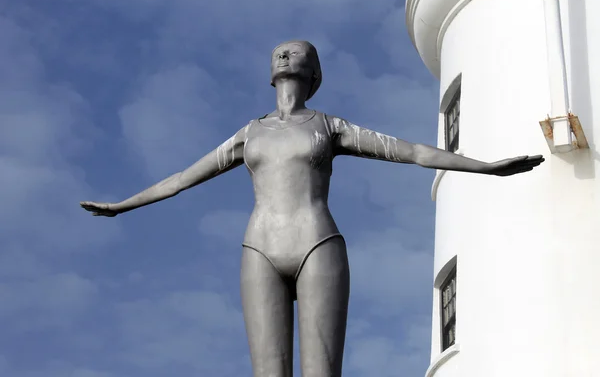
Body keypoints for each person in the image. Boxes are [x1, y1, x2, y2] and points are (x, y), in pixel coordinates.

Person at [81, 40, 544, 377]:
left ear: (314, 72)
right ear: (269, 71)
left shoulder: (330, 126)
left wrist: (483, 167)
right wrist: (123, 206)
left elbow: (411, 151)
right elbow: (181, 179)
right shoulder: (250, 133)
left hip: (318, 244)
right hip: (259, 248)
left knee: (322, 372)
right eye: (279, 52)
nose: (285, 54)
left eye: (297, 51)